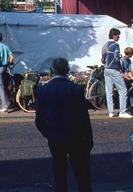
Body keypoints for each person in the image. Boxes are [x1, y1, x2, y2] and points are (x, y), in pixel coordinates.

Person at [35, 57, 93, 192]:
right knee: (82, 174)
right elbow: (84, 118)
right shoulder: (76, 89)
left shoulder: (43, 90)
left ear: (51, 71)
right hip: (76, 136)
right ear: (67, 70)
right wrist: (89, 139)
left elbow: (39, 119)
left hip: (55, 136)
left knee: (59, 174)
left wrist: (48, 132)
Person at [101, 28, 133, 118]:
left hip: (106, 69)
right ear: (114, 35)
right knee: (123, 90)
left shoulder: (104, 46)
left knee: (109, 91)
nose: (119, 37)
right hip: (114, 69)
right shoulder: (116, 45)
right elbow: (116, 58)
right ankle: (122, 111)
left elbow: (103, 59)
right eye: (118, 35)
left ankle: (111, 112)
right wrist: (120, 68)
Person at [120, 47, 133, 115]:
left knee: (131, 91)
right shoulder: (122, 60)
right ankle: (124, 108)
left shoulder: (129, 60)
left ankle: (132, 105)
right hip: (123, 78)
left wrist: (131, 77)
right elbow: (121, 72)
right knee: (125, 92)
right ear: (130, 54)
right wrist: (127, 78)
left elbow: (129, 71)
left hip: (127, 77)